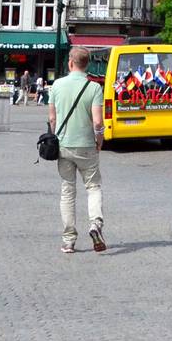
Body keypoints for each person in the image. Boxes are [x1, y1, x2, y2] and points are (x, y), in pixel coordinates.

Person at [47, 47, 105, 254]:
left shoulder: (57, 85)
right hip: (87, 145)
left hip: (64, 145)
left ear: (70, 62)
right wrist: (100, 139)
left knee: (67, 191)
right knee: (93, 186)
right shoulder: (94, 88)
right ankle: (95, 224)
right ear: (87, 64)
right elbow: (98, 121)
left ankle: (68, 240)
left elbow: (52, 118)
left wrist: (54, 136)